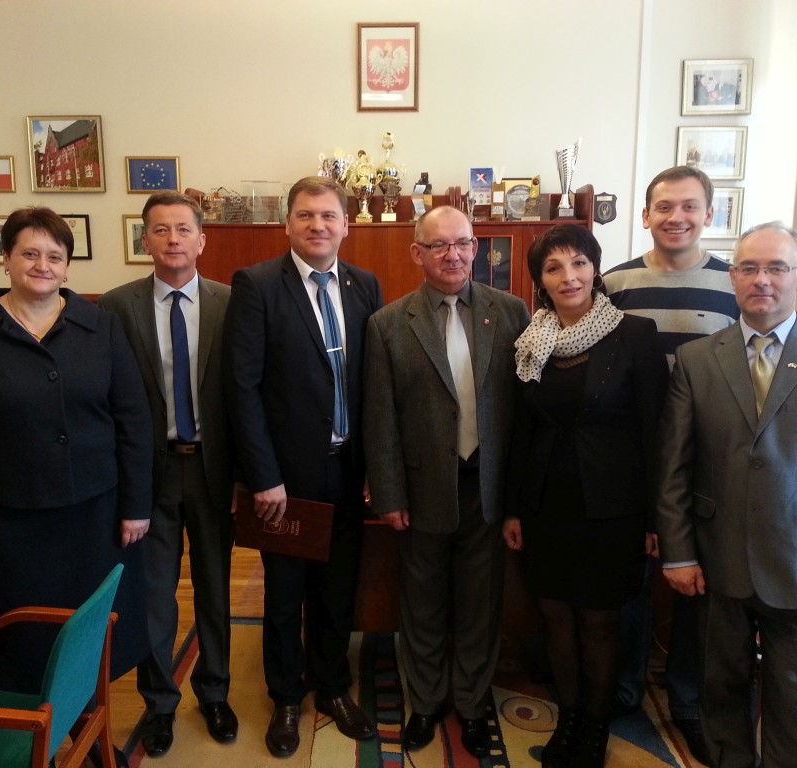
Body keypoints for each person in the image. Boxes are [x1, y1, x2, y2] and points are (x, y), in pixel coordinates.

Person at [657, 222, 797, 768]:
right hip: (717, 558)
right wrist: (678, 552)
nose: (762, 279)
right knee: (721, 690)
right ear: (733, 278)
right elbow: (674, 468)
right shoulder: (697, 360)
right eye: (749, 268)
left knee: (793, 696)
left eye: (777, 268)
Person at [0, 207, 152, 702]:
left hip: (95, 517)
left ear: (67, 267)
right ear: (6, 259)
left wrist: (136, 505)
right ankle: (32, 731)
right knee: (22, 648)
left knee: (92, 640)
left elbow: (133, 421)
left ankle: (86, 726)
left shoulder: (102, 328)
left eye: (54, 256)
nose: (42, 265)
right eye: (29, 253)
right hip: (7, 526)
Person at [223, 176, 382, 758]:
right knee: (286, 594)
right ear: (287, 223)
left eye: (329, 216)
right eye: (307, 215)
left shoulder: (365, 285)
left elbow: (374, 383)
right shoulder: (258, 285)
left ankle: (333, 685)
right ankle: (286, 696)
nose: (318, 225)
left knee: (338, 589)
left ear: (346, 225)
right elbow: (242, 388)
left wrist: (376, 466)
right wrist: (262, 476)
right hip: (285, 479)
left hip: (348, 469)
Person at [364, 205, 530, 758]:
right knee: (422, 602)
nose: (452, 255)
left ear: (476, 248)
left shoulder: (511, 313)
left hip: (488, 485)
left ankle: (473, 703)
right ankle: (427, 702)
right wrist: (389, 494)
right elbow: (380, 419)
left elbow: (524, 411)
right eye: (439, 245)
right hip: (421, 489)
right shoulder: (388, 324)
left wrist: (518, 497)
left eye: (462, 243)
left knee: (481, 603)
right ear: (418, 253)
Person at [502, 225, 667, 767]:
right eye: (553, 268)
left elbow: (655, 430)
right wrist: (512, 508)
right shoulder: (531, 341)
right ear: (540, 281)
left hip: (613, 508)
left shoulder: (634, 334)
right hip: (546, 505)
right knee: (554, 618)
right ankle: (568, 717)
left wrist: (656, 518)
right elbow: (521, 431)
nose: (568, 276)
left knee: (599, 623)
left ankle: (595, 726)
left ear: (595, 270)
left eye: (578, 263)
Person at [603, 165, 738, 763]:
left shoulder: (734, 284)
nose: (676, 217)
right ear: (645, 215)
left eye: (688, 206)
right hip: (631, 458)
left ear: (708, 214)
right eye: (664, 206)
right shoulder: (614, 284)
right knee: (630, 580)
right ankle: (625, 688)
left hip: (708, 462)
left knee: (696, 585)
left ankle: (688, 699)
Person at [98, 192, 236, 757]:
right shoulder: (116, 306)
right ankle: (159, 704)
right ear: (145, 241)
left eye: (183, 229)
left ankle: (216, 692)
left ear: (202, 240)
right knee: (153, 596)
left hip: (213, 469)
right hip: (148, 473)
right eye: (160, 230)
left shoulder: (232, 302)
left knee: (215, 588)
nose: (173, 239)